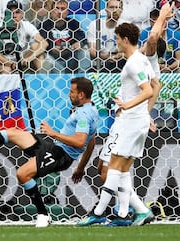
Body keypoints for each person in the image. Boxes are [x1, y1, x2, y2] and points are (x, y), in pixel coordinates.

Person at [0, 77, 99, 227]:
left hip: (61, 155)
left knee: (22, 174)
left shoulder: (83, 114)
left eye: (72, 92)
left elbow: (79, 141)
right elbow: (90, 142)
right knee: (13, 133)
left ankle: (43, 214)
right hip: (55, 149)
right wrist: (80, 168)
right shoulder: (92, 110)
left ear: (81, 94)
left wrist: (53, 133)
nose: (69, 94)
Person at [78, 22, 154, 227]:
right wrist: (146, 114)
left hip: (130, 121)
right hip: (138, 121)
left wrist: (127, 105)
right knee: (122, 169)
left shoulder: (133, 63)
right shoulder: (143, 60)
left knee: (113, 166)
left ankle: (99, 211)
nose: (116, 43)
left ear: (125, 39)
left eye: (118, 39)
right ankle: (123, 214)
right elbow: (156, 86)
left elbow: (148, 90)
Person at [0, 0, 48, 74]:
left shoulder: (26, 25)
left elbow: (44, 43)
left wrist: (28, 59)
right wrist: (12, 64)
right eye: (11, 12)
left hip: (23, 59)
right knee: (5, 70)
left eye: (17, 12)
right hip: (5, 62)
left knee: (36, 47)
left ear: (22, 14)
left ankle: (43, 82)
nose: (14, 15)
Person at [39, 0, 91, 73]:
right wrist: (51, 49)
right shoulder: (44, 25)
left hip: (70, 59)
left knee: (84, 51)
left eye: (63, 9)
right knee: (43, 57)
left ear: (67, 12)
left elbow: (83, 39)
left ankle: (82, 76)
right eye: (57, 8)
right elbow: (41, 44)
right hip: (53, 60)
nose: (59, 12)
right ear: (51, 11)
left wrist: (79, 44)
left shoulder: (73, 23)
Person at [87, 0, 125, 73]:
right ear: (106, 9)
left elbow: (130, 49)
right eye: (111, 7)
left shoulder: (126, 25)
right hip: (101, 59)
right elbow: (92, 51)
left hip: (121, 59)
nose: (114, 10)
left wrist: (118, 56)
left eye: (117, 7)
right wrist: (106, 57)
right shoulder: (95, 24)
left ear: (121, 10)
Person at [140, 8, 180, 74]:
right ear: (149, 21)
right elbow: (141, 56)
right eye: (153, 20)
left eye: (158, 20)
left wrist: (169, 68)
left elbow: (178, 59)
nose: (156, 23)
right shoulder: (144, 34)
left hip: (171, 68)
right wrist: (156, 66)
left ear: (165, 20)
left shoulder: (175, 35)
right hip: (149, 67)